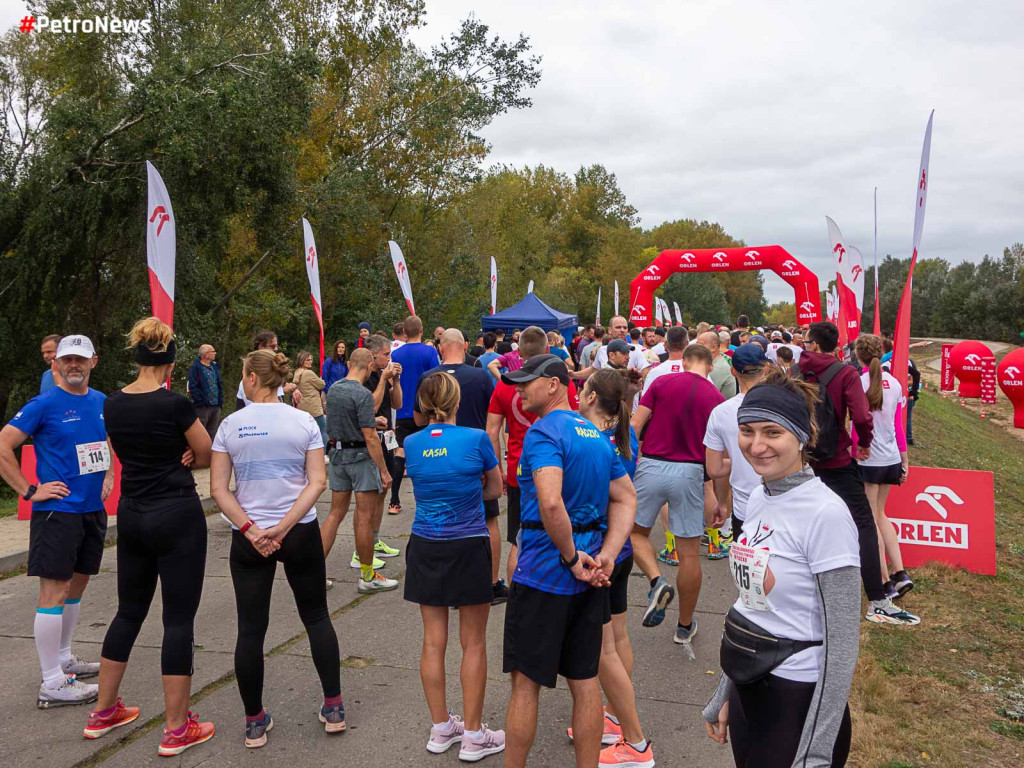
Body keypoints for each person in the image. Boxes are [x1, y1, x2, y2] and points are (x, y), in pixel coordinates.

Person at [702, 368, 861, 768]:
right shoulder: (758, 497)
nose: (756, 446)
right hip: (749, 688)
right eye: (747, 431)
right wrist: (727, 690)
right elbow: (750, 604)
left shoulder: (826, 514)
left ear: (803, 435)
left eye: (772, 433)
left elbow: (842, 646)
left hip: (797, 699)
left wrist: (815, 750)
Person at [500, 355, 636, 768]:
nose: (519, 390)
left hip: (546, 572)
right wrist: (607, 556)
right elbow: (626, 497)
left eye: (527, 382)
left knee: (525, 685)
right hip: (588, 576)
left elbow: (550, 501)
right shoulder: (596, 436)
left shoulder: (544, 431)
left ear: (555, 385)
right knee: (586, 682)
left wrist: (573, 557)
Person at [87, 317, 215, 755]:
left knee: (128, 612)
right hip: (176, 513)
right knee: (177, 619)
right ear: (171, 362)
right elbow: (204, 452)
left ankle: (104, 711)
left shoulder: (114, 403)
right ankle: (178, 728)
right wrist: (186, 456)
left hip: (133, 514)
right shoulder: (175, 404)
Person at [210, 349, 344, 748]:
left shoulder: (231, 425)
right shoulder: (303, 421)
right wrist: (284, 527)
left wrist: (254, 531)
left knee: (250, 629)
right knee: (317, 616)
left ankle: (254, 721)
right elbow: (317, 482)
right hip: (298, 531)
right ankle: (334, 706)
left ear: (252, 377)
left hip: (250, 537)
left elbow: (218, 489)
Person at [0, 335, 113, 708]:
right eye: (67, 360)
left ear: (93, 362)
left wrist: (110, 475)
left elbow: (105, 440)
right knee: (54, 592)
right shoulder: (44, 404)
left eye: (80, 359)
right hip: (57, 512)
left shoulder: (101, 402)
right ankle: (51, 682)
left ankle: (64, 659)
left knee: (77, 587)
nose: (73, 365)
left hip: (91, 511)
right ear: (56, 365)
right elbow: (3, 444)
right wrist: (30, 490)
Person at [404, 372, 506, 761]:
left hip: (426, 544)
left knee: (433, 640)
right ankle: (475, 734)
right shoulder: (477, 439)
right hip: (467, 544)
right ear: (457, 402)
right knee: (474, 641)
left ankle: (441, 727)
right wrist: (469, 490)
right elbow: (495, 489)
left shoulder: (411, 444)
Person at [797, 322, 918, 625]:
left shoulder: (796, 371)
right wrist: (863, 443)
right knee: (864, 522)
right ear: (836, 346)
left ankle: (801, 587)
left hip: (801, 458)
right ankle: (877, 598)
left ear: (812, 344)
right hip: (836, 458)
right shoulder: (845, 373)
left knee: (801, 519)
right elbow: (862, 416)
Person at [575, 370, 655, 768]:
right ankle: (611, 715)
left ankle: (635, 741)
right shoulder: (626, 434)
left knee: (604, 649)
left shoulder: (593, 441)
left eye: (581, 390)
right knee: (617, 639)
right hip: (621, 550)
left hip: (603, 549)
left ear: (590, 396)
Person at [630, 344, 723, 644]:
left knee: (632, 533)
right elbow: (716, 452)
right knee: (688, 555)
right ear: (710, 365)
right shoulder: (716, 399)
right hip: (691, 472)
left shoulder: (661, 382)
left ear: (683, 362)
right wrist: (719, 497)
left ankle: (657, 581)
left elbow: (635, 424)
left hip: (653, 465)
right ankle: (684, 626)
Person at [486, 327, 581, 588]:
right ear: (548, 349)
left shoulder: (506, 384)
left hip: (520, 470)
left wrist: (498, 469)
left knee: (521, 538)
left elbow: (491, 431)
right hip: (559, 468)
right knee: (563, 531)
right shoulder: (559, 382)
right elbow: (574, 421)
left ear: (518, 350)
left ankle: (519, 592)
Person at [321, 348, 397, 591]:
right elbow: (371, 437)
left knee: (334, 515)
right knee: (363, 517)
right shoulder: (362, 394)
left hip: (337, 456)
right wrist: (384, 471)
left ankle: (313, 573)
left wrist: (372, 420)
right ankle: (368, 576)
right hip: (361, 458)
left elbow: (342, 420)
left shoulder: (334, 390)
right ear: (368, 366)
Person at [853, 335, 916, 606]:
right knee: (881, 515)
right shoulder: (897, 383)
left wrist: (855, 450)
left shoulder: (858, 382)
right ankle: (900, 572)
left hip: (869, 459)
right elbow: (898, 425)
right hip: (890, 457)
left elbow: (857, 424)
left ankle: (884, 581)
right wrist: (904, 458)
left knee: (871, 519)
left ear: (858, 355)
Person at [704, 345, 769, 542]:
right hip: (786, 503)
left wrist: (723, 502)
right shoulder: (785, 404)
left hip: (745, 508)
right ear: (765, 369)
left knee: (748, 570)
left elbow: (714, 469)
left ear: (733, 371)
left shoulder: (721, 412)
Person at [389, 315, 440, 514]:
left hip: (402, 409)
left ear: (404, 332)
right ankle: (428, 500)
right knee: (428, 452)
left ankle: (394, 500)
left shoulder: (396, 354)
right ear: (421, 330)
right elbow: (436, 381)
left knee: (400, 451)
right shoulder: (429, 351)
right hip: (425, 410)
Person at [361, 335, 404, 569]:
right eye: (386, 354)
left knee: (383, 491)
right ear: (373, 355)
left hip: (387, 437)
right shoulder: (366, 376)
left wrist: (395, 381)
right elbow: (370, 407)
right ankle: (362, 549)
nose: (389, 358)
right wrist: (383, 380)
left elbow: (397, 404)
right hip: (371, 440)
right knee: (370, 496)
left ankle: (374, 541)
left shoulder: (382, 375)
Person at [235, 331, 301, 409]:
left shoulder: (276, 372)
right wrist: (283, 390)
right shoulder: (246, 379)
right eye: (273, 346)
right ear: (261, 347)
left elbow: (286, 385)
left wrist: (295, 390)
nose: (276, 349)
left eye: (276, 346)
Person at [571, 316, 650, 380]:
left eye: (625, 328)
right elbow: (594, 370)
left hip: (628, 398)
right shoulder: (602, 350)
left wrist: (636, 379)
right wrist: (574, 375)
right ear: (610, 330)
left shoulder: (635, 350)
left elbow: (646, 369)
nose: (622, 330)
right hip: (606, 397)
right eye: (618, 327)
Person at [188, 344, 223, 440]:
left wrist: (220, 401)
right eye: (213, 351)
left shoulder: (214, 366)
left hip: (216, 406)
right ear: (206, 354)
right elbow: (193, 386)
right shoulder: (195, 368)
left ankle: (210, 453)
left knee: (212, 433)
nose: (215, 353)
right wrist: (200, 402)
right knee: (200, 433)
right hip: (203, 407)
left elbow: (219, 383)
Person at [293, 351, 328, 447]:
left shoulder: (297, 372)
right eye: (308, 360)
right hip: (314, 407)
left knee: (306, 433)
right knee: (323, 430)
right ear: (302, 361)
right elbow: (322, 385)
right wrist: (322, 380)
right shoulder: (308, 373)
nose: (310, 361)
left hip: (303, 407)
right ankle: (323, 454)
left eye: (311, 359)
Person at [700, 331, 738, 399]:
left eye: (701, 345)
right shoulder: (714, 363)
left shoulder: (717, 368)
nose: (696, 348)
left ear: (713, 347)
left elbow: (703, 396)